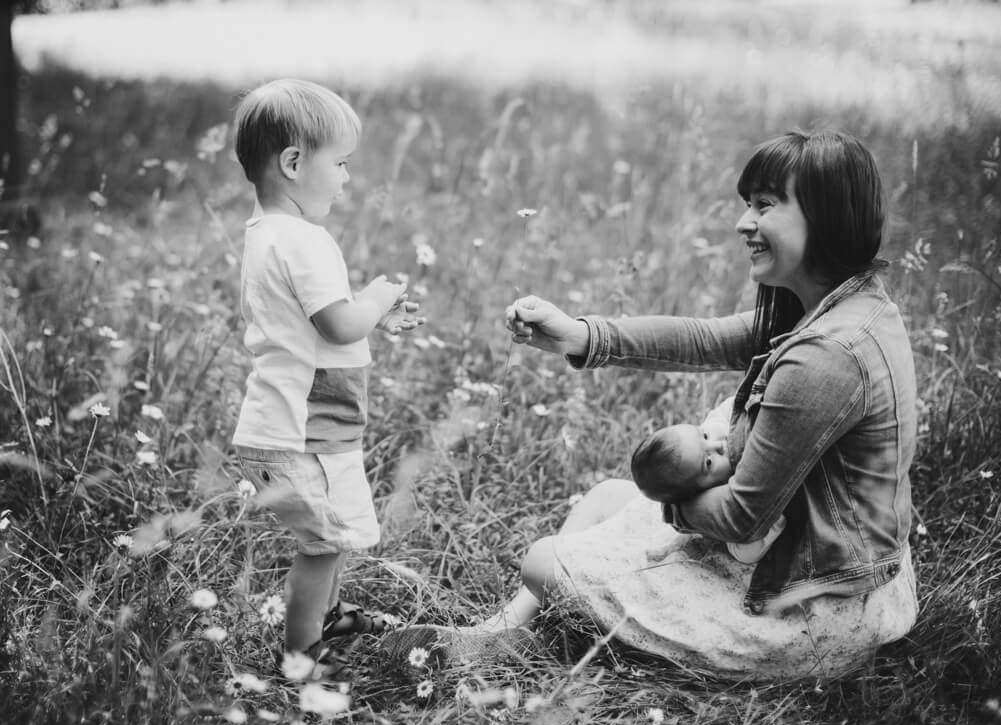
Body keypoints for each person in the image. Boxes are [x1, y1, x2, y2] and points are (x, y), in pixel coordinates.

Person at [453, 129, 918, 680]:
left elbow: (743, 519)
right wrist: (579, 335)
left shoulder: (827, 356)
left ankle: (516, 628)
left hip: (810, 611)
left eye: (765, 205)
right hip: (806, 558)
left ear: (827, 217)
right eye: (748, 204)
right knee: (604, 500)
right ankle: (501, 633)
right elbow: (704, 338)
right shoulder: (839, 308)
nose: (744, 223)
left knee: (540, 560)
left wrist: (669, 502)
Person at [230, 79, 424, 677]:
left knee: (330, 533)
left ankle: (328, 617)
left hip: (296, 426)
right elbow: (340, 325)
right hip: (301, 435)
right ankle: (301, 656)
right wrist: (377, 294)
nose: (345, 178)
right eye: (339, 163)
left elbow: (315, 324)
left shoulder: (267, 236)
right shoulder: (304, 239)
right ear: (293, 162)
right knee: (320, 545)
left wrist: (374, 317)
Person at [630, 397, 786, 565]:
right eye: (708, 463)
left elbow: (735, 404)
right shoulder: (732, 496)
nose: (717, 445)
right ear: (704, 494)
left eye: (704, 435)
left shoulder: (721, 423)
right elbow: (749, 547)